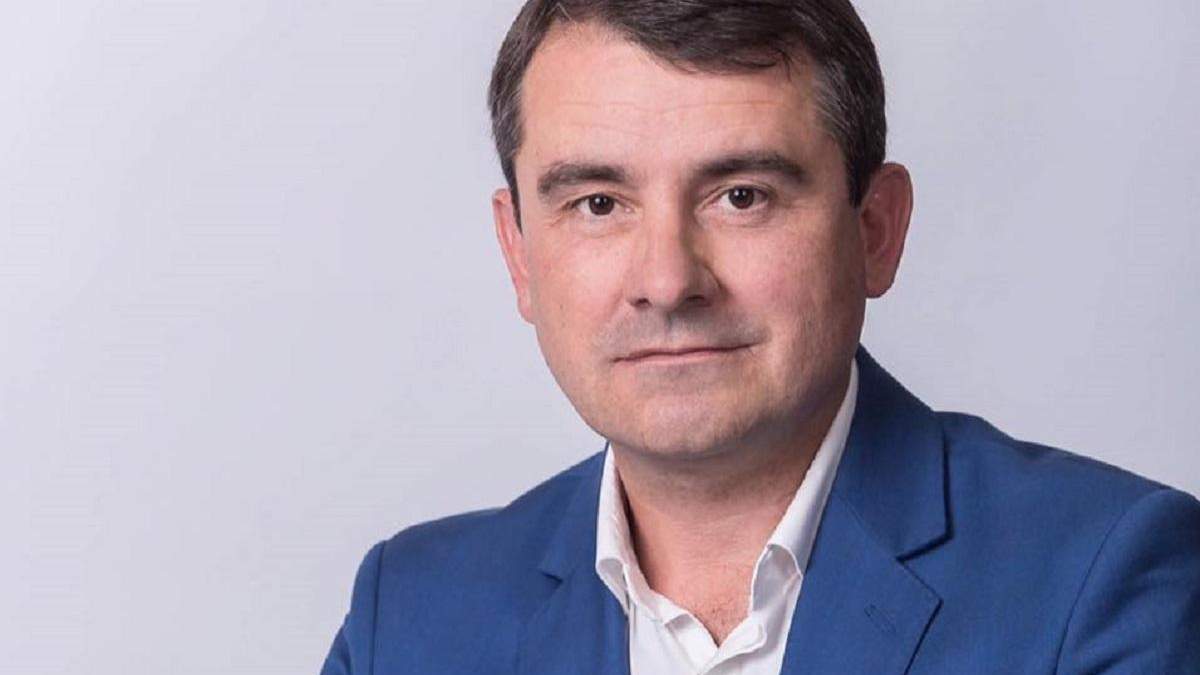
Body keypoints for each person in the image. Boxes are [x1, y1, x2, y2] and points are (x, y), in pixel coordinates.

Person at [321, 1, 1200, 673]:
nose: (668, 280)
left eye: (741, 196)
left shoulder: (1103, 584)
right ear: (519, 254)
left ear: (876, 230)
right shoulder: (408, 618)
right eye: (598, 204)